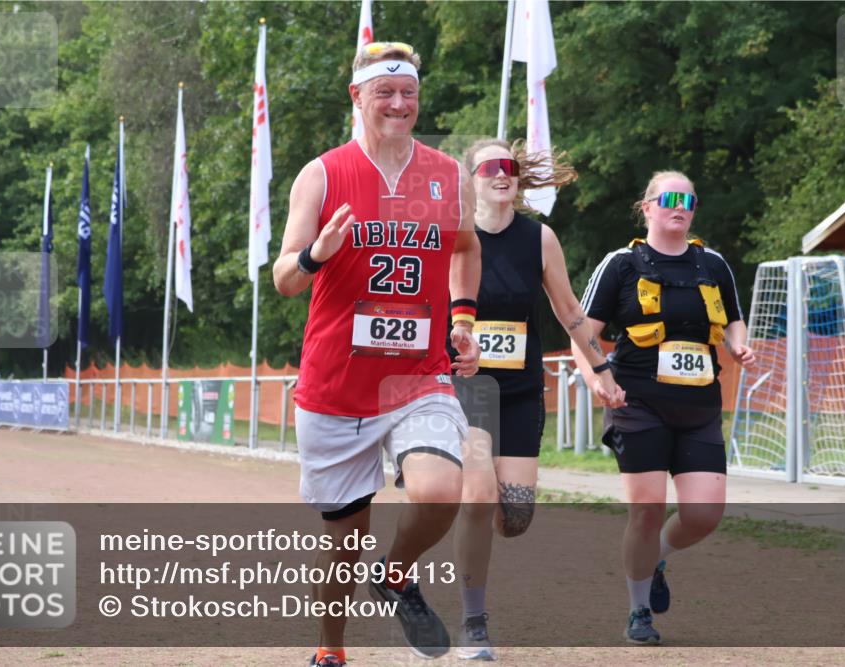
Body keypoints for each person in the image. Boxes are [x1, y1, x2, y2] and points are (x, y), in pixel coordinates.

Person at [272, 42, 482, 667]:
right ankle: (330, 650)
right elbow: (284, 278)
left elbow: (467, 247)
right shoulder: (322, 174)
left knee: (440, 491)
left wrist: (463, 318)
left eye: (408, 92)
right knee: (344, 540)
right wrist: (317, 254)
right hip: (336, 386)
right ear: (357, 97)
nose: (398, 103)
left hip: (418, 376)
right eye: (384, 92)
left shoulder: (448, 175)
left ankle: (395, 575)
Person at [449, 138, 626, 660]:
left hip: (522, 391)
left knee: (515, 518)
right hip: (467, 386)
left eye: (509, 166)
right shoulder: (455, 236)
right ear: (470, 179)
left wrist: (602, 367)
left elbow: (570, 312)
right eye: (490, 167)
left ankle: (466, 521)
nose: (502, 174)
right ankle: (473, 622)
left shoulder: (539, 238)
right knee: (479, 497)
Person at [577, 170, 756, 645]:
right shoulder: (620, 264)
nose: (680, 207)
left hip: (698, 405)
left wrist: (739, 344)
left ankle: (655, 557)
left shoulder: (712, 263)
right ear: (648, 207)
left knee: (703, 515)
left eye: (689, 201)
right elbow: (582, 332)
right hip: (637, 401)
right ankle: (639, 610)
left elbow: (734, 319)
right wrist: (597, 378)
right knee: (647, 508)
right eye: (671, 199)